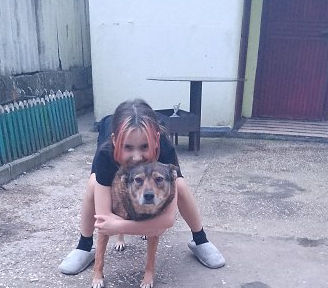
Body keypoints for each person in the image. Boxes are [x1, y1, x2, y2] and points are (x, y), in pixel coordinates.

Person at [59, 98, 225, 274]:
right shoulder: (105, 154)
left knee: (180, 185)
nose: (137, 157)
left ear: (156, 139)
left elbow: (167, 220)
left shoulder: (165, 150)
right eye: (128, 147)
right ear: (115, 141)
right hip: (112, 154)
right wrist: (147, 226)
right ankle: (84, 246)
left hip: (156, 157)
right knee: (93, 183)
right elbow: (103, 219)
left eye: (145, 146)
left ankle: (200, 239)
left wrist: (119, 226)